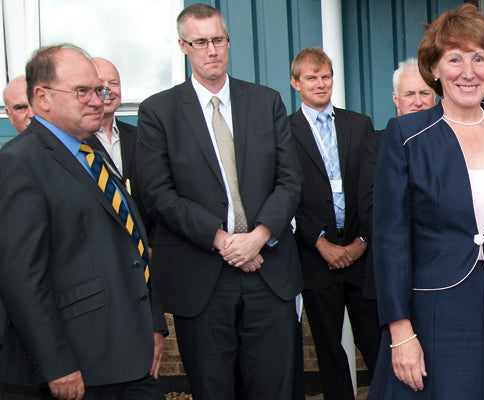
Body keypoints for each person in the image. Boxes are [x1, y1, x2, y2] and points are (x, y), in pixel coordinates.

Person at [368, 4, 484, 398]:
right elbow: (391, 238)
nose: (468, 71)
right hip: (432, 313)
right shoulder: (406, 136)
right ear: (434, 67)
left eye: (479, 58)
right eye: (455, 59)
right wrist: (399, 328)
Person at [134, 3, 303, 399]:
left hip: (268, 273)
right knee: (213, 390)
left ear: (228, 41)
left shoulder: (266, 101)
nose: (213, 50)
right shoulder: (158, 112)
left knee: (275, 389)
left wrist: (258, 237)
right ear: (183, 46)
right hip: (202, 277)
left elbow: (290, 181)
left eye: (219, 40)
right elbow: (157, 194)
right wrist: (224, 242)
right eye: (201, 42)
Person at [0, 44, 165, 400]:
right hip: (80, 368)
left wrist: (154, 324)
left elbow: (133, 244)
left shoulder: (92, 155)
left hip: (133, 358)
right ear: (42, 97)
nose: (97, 100)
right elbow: (22, 279)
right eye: (83, 92)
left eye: (100, 91)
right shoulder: (19, 163)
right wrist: (55, 364)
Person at [288, 47, 382, 400]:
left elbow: (371, 187)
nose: (320, 83)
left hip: (360, 252)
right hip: (316, 257)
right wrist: (320, 243)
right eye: (311, 78)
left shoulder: (359, 124)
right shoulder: (283, 130)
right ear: (296, 82)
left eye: (325, 76)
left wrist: (361, 241)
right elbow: (285, 194)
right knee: (328, 350)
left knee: (374, 341)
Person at [85, 58, 140, 192]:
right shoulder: (78, 140)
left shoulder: (139, 136)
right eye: (99, 85)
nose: (108, 90)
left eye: (114, 83)